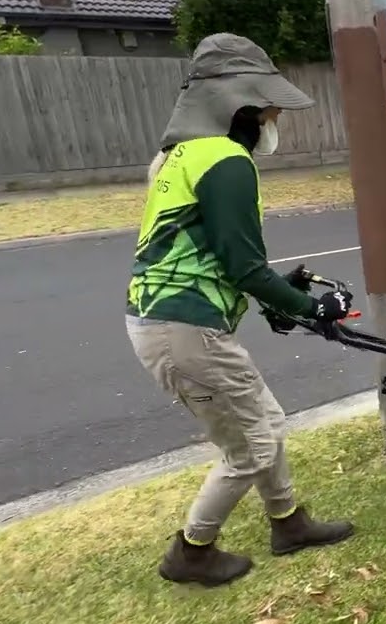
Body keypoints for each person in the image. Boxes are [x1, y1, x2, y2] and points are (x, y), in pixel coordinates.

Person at [125, 33, 356, 587]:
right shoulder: (226, 161)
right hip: (184, 327)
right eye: (271, 105)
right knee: (250, 444)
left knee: (264, 422)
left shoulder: (178, 156)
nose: (277, 115)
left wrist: (283, 294)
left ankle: (289, 522)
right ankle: (191, 551)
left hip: (172, 319)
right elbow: (244, 268)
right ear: (245, 107)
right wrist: (312, 308)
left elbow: (219, 257)